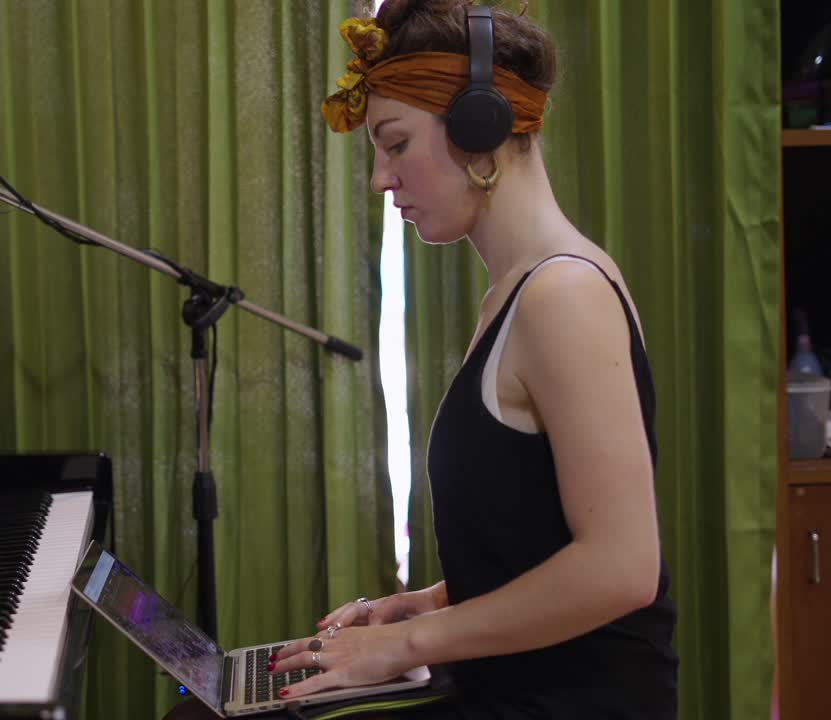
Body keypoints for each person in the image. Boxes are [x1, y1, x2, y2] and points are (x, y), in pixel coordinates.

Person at [268, 1, 679, 717]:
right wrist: (415, 608)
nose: (380, 180)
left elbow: (621, 569)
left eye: (394, 145)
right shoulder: (514, 294)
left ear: (480, 128)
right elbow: (532, 540)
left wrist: (410, 645)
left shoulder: (563, 296)